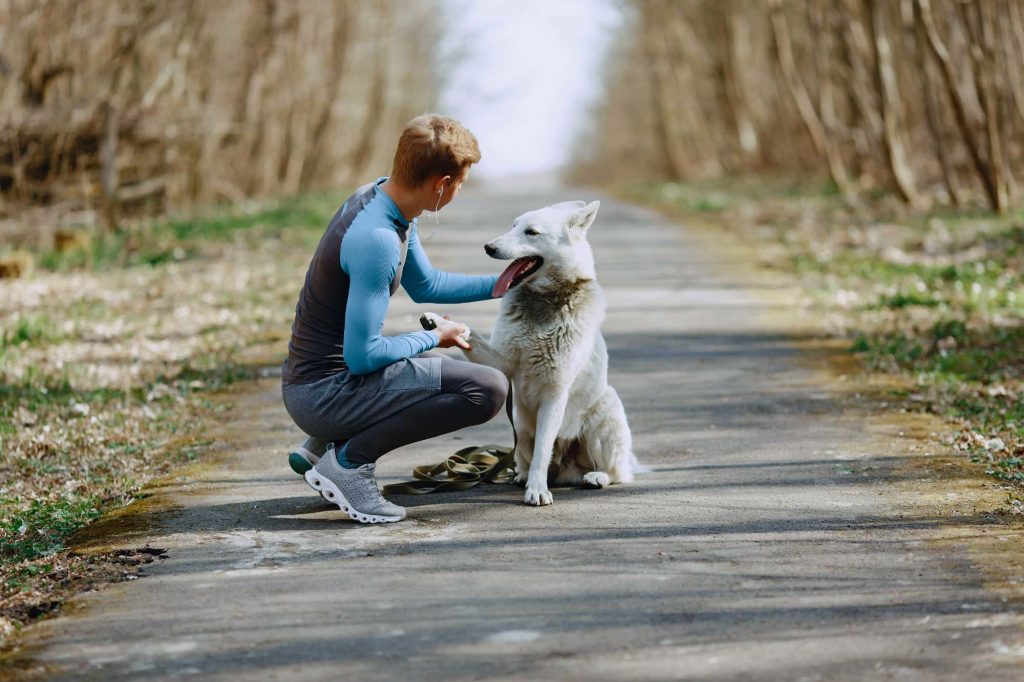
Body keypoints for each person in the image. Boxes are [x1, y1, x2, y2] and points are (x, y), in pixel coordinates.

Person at [280, 114, 508, 524]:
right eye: (460, 183)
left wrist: (503, 284)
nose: (459, 190)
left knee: (443, 371)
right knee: (486, 388)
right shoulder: (379, 241)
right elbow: (363, 357)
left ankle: (320, 446)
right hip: (323, 393)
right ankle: (349, 462)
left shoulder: (382, 199)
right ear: (442, 183)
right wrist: (434, 337)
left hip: (311, 381)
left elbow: (427, 285)